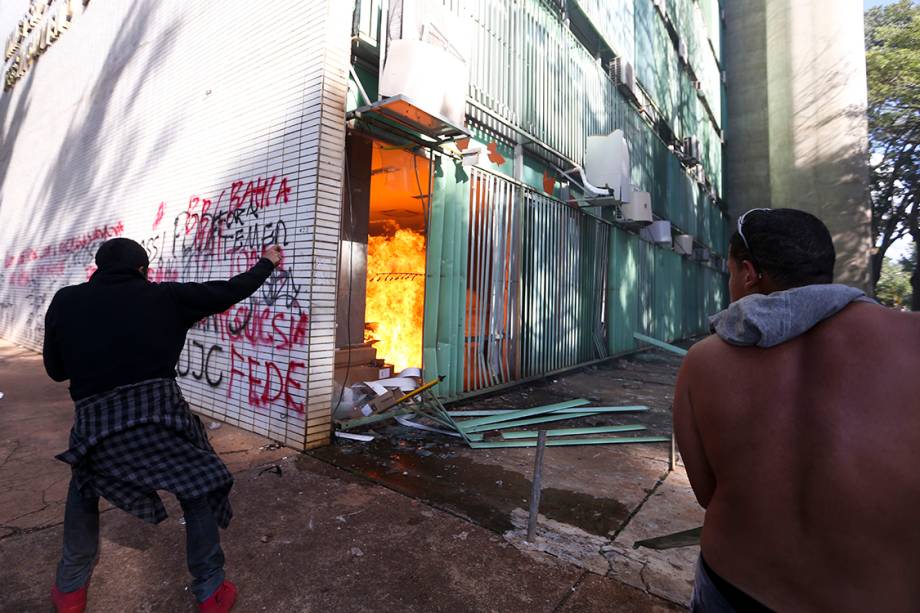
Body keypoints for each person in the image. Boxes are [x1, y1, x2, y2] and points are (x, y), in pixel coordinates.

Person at [673, 208, 920, 611]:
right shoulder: (913, 342)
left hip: (733, 586)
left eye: (731, 272)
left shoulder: (701, 362)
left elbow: (707, 492)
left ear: (750, 274)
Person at [43, 238, 282, 613]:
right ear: (142, 269)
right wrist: (267, 262)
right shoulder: (166, 298)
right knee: (196, 484)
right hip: (162, 419)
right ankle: (211, 590)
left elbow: (56, 371)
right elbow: (230, 291)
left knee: (84, 486)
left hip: (97, 428)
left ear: (98, 268)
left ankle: (70, 590)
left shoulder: (65, 300)